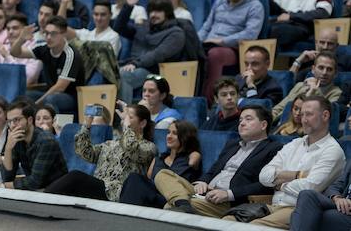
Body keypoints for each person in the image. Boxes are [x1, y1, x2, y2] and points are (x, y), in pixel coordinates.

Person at [225, 96, 345, 227]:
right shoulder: (295, 144)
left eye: (309, 114)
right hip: (272, 205)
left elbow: (309, 188)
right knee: (227, 221)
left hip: (298, 209)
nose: (303, 119)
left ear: (325, 115)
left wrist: (279, 184)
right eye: (302, 114)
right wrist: (296, 175)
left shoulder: (332, 151)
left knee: (252, 228)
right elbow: (264, 175)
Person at [154, 105, 283, 217]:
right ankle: (183, 203)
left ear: (263, 125)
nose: (242, 123)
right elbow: (213, 170)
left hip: (228, 201)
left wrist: (229, 194)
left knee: (169, 206)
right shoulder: (232, 144)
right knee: (163, 174)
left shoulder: (273, 148)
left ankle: (182, 203)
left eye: (248, 119)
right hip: (206, 192)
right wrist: (203, 181)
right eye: (240, 120)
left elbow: (265, 184)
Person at [45, 102, 156, 201]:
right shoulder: (110, 143)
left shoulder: (148, 147)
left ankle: (43, 198)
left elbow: (130, 148)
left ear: (142, 123)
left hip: (117, 193)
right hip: (99, 188)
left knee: (75, 176)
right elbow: (85, 153)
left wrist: (127, 126)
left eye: (129, 117)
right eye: (124, 118)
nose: (124, 121)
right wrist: (87, 125)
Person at [197, 0, 265, 100]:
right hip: (209, 43)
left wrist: (222, 41)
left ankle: (209, 100)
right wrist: (197, 42)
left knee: (215, 54)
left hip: (232, 48)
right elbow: (206, 26)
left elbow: (250, 34)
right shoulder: (220, 2)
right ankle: (189, 96)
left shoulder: (254, 6)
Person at [114, 0, 186, 102]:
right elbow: (118, 28)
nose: (153, 15)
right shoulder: (144, 27)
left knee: (125, 75)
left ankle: (126, 114)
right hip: (135, 64)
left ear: (167, 13)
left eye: (158, 11)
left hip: (154, 70)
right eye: (151, 11)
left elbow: (158, 54)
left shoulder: (176, 33)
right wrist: (128, 7)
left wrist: (135, 64)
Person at [0, 99, 67, 191]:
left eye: (16, 120)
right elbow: (7, 177)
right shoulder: (18, 139)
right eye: (10, 121)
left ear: (30, 120)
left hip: (57, 192)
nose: (12, 125)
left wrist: (1, 186)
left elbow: (34, 182)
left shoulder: (46, 141)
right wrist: (8, 148)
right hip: (37, 192)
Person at [119, 120, 202, 208]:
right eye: (168, 132)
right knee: (133, 178)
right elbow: (149, 179)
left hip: (172, 198)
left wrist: (193, 152)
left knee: (134, 181)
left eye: (175, 133)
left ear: (185, 137)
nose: (169, 136)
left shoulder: (192, 156)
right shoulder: (159, 159)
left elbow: (193, 163)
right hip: (154, 196)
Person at [11, 16, 84, 115]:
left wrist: (36, 104)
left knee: (51, 99)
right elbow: (15, 53)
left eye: (53, 34)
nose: (48, 37)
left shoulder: (71, 54)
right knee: (23, 96)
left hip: (71, 96)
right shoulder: (44, 49)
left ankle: (50, 128)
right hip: (49, 92)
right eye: (46, 33)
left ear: (63, 34)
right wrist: (21, 39)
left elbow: (60, 87)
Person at [272, 52, 342, 120]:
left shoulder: (336, 93)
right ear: (313, 69)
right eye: (321, 68)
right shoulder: (300, 86)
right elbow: (278, 109)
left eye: (329, 69)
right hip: (280, 125)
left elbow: (318, 118)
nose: (324, 73)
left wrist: (312, 92)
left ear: (335, 73)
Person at [290, 157, 351, 231]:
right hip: (341, 203)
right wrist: (336, 197)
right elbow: (335, 186)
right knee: (307, 195)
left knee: (307, 215)